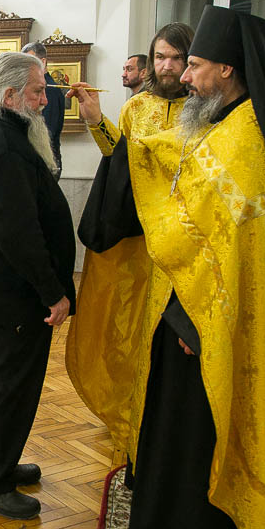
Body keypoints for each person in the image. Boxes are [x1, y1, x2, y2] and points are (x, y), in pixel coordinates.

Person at [66, 5, 265, 529]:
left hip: (201, 310)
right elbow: (168, 163)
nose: (182, 73)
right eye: (171, 60)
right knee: (171, 411)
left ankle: (189, 525)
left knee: (193, 421)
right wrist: (113, 132)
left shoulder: (241, 137)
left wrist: (189, 320)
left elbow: (215, 233)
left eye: (192, 63)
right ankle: (165, 507)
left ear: (226, 69)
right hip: (185, 297)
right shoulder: (222, 119)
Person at [0, 52, 75, 520]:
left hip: (2, 289)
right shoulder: (1, 145)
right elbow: (17, 235)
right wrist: (53, 292)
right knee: (10, 389)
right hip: (13, 294)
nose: (46, 101)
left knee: (8, 385)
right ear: (10, 96)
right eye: (38, 91)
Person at [66, 22, 194, 392]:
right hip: (137, 235)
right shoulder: (137, 107)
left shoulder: (202, 107)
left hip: (183, 236)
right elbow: (119, 157)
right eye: (160, 57)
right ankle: (130, 394)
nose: (166, 66)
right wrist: (95, 120)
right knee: (130, 318)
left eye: (176, 58)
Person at [22, 42, 66, 179]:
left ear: (42, 62)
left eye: (30, 61)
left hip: (46, 160)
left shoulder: (49, 89)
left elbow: (48, 130)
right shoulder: (38, 85)